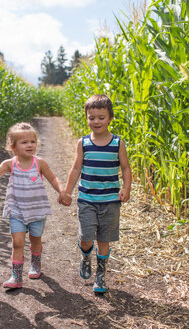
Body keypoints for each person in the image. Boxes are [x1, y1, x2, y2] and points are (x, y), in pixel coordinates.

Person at [0, 122, 63, 288]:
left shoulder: (40, 163)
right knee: (17, 242)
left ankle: (35, 263)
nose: (30, 145)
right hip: (17, 211)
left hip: (36, 211)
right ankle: (16, 276)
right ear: (13, 147)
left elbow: (53, 179)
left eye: (32, 141)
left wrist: (61, 190)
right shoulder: (10, 164)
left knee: (35, 239)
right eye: (24, 142)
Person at [59, 94, 131, 293]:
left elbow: (125, 168)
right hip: (87, 199)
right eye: (91, 117)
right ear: (86, 118)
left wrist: (126, 188)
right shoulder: (83, 143)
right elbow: (75, 169)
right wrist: (67, 191)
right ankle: (85, 257)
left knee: (104, 239)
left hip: (110, 201)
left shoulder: (118, 144)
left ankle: (101, 274)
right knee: (86, 237)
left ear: (110, 118)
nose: (96, 121)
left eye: (101, 117)